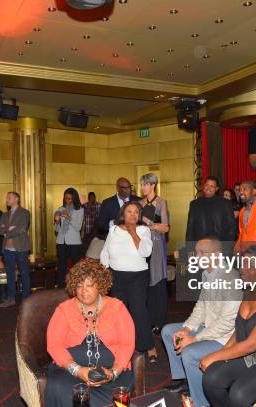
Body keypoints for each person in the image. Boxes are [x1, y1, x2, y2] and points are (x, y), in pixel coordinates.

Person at [200, 245, 256, 407]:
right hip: (250, 357)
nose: (243, 269)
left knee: (239, 393)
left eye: (250, 265)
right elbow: (239, 331)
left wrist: (215, 356)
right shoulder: (248, 293)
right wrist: (222, 353)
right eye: (243, 264)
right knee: (211, 378)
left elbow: (251, 345)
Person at [161, 238, 241, 407]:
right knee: (169, 332)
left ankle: (201, 402)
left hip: (225, 338)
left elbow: (227, 323)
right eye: (196, 252)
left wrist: (195, 339)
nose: (197, 257)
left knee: (190, 353)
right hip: (208, 327)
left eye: (203, 253)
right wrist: (187, 329)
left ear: (217, 255)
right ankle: (185, 380)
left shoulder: (231, 279)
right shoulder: (208, 273)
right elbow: (201, 305)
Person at [46, 258, 135, 407]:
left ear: (100, 285)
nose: (83, 291)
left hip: (112, 373)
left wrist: (113, 373)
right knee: (58, 386)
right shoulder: (64, 309)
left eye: (89, 285)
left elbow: (127, 344)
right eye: (79, 285)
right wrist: (78, 370)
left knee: (118, 393)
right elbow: (54, 346)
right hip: (70, 371)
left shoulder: (117, 307)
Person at [100, 201, 155, 360]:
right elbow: (105, 253)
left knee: (139, 311)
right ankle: (120, 346)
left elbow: (146, 252)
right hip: (116, 277)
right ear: (123, 214)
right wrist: (105, 272)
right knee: (118, 312)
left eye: (136, 212)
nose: (132, 215)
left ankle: (148, 346)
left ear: (139, 215)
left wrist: (133, 233)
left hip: (138, 277)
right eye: (129, 212)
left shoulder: (143, 230)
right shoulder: (114, 230)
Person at [139, 173, 169, 337]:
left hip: (157, 246)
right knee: (145, 284)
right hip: (142, 246)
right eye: (142, 184)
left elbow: (165, 228)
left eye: (145, 184)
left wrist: (149, 223)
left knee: (157, 283)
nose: (142, 187)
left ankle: (160, 322)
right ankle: (148, 320)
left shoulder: (161, 202)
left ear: (152, 185)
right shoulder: (140, 203)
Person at [0, 191, 31, 307]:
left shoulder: (25, 213)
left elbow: (21, 228)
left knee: (24, 272)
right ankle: (11, 298)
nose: (7, 199)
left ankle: (26, 299)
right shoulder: (5, 215)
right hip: (7, 249)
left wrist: (6, 231)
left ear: (16, 199)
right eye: (7, 197)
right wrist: (9, 229)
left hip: (21, 248)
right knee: (9, 273)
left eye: (9, 197)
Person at [186, 176, 235, 246]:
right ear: (204, 186)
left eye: (212, 186)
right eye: (207, 185)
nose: (208, 188)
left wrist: (226, 247)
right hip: (200, 247)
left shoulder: (225, 204)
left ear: (216, 188)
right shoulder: (194, 204)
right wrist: (190, 248)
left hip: (220, 247)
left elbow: (232, 228)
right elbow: (190, 228)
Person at [54, 187, 84, 288]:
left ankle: (77, 286)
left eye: (70, 198)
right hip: (61, 242)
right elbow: (57, 230)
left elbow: (78, 227)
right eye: (66, 198)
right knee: (61, 267)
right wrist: (57, 222)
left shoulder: (80, 210)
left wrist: (67, 217)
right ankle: (61, 287)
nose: (68, 200)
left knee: (76, 267)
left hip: (74, 243)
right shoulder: (60, 209)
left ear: (74, 199)